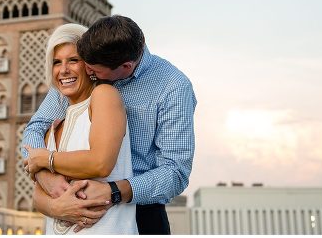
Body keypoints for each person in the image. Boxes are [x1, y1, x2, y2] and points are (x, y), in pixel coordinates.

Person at [23, 15, 196, 235]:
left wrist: (113, 191)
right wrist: (48, 179)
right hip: (70, 203)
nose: (87, 72)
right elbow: (35, 128)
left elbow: (175, 173)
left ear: (125, 66)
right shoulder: (88, 67)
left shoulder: (173, 87)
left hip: (139, 212)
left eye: (93, 70)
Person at [23, 23, 138, 234]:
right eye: (57, 62)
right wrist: (55, 207)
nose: (63, 70)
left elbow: (100, 163)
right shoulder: (54, 124)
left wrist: (45, 159)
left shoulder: (104, 96)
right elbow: (38, 194)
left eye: (73, 60)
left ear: (89, 65)